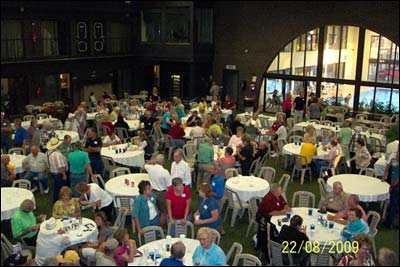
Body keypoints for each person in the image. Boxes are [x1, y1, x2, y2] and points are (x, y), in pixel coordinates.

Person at [144, 154, 172, 227]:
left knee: (154, 210)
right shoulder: (165, 172)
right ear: (163, 162)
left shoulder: (150, 168)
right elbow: (169, 185)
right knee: (163, 212)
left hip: (152, 192)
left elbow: (145, 164)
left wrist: (151, 161)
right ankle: (161, 228)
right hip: (162, 194)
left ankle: (154, 226)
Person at [46, 137, 69, 203]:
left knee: (56, 188)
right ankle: (63, 202)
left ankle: (55, 201)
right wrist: (64, 174)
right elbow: (60, 166)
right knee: (63, 189)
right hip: (59, 174)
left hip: (53, 172)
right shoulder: (57, 154)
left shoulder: (47, 152)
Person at [382, 148, 399, 229]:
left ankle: (389, 223)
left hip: (396, 186)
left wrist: (392, 186)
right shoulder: (394, 159)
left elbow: (395, 178)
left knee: (393, 205)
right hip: (395, 184)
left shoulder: (395, 160)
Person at [209, 162, 226, 235]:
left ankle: (220, 229)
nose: (210, 170)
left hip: (217, 200)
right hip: (213, 199)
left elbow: (219, 194)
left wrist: (209, 193)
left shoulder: (219, 180)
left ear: (216, 170)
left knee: (217, 215)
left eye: (212, 169)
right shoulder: (214, 177)